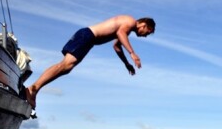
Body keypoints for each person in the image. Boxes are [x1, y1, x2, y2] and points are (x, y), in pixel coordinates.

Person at [25, 15, 155, 109]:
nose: (145, 36)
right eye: (147, 33)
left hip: (88, 38)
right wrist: (132, 53)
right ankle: (33, 89)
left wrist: (126, 63)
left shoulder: (128, 28)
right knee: (65, 65)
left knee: (66, 67)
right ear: (143, 25)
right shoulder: (130, 22)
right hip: (87, 36)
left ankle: (34, 89)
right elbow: (121, 33)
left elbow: (116, 46)